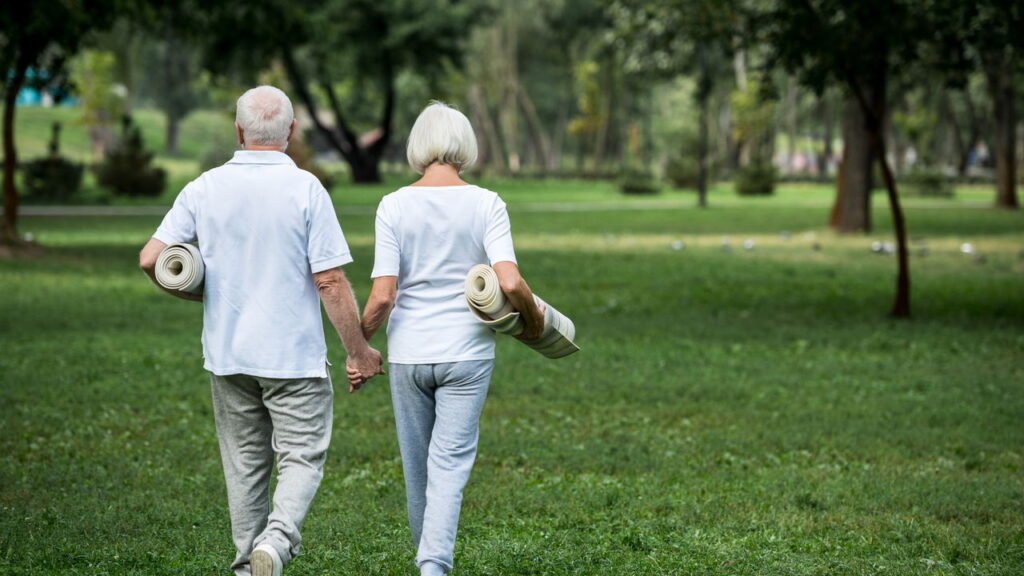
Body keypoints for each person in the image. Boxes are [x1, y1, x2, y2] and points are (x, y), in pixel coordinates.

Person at [138, 85, 383, 576]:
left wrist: (195, 292)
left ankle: (247, 565)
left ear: (238, 131)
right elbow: (330, 280)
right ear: (291, 132)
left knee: (245, 469)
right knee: (301, 457)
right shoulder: (307, 189)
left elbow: (151, 258)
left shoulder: (204, 188)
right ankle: (276, 541)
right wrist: (359, 351)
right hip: (292, 358)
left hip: (228, 356)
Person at [354, 102, 545, 576]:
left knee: (419, 470)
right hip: (467, 354)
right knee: (450, 466)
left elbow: (382, 296)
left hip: (409, 355)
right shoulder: (487, 203)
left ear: (418, 146)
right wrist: (535, 324)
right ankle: (433, 566)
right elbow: (512, 284)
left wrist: (358, 346)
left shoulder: (393, 204)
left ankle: (429, 564)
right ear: (465, 144)